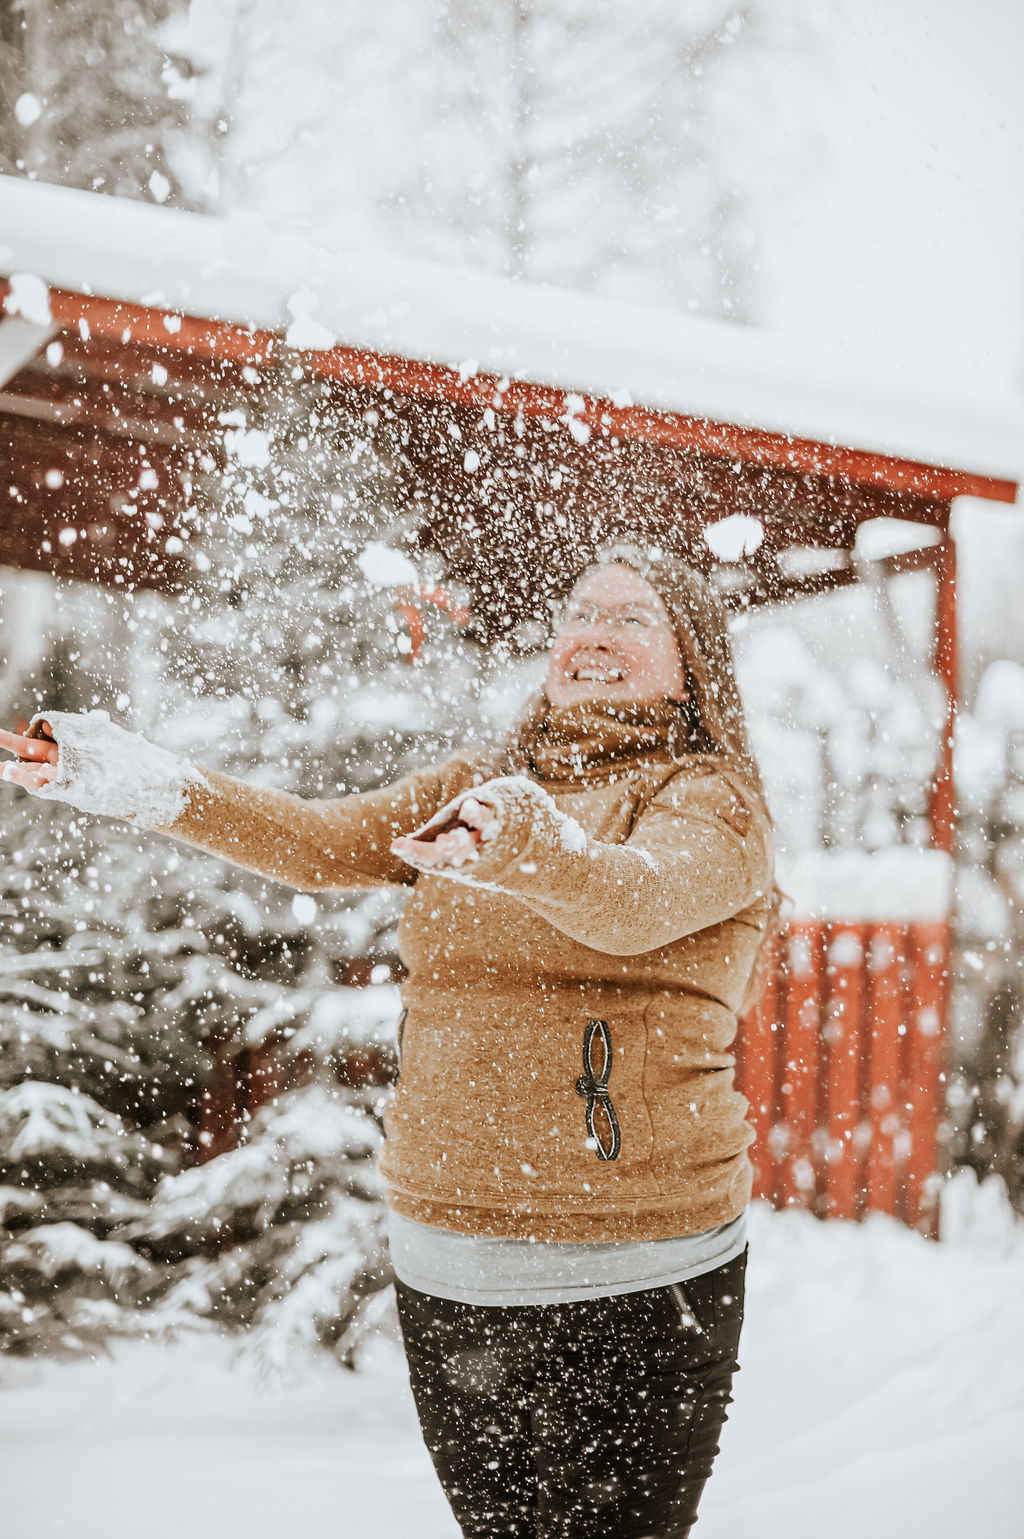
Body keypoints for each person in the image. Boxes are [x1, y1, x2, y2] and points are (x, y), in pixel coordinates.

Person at [1, 546, 775, 1539]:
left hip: (636, 1268)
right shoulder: (486, 780)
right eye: (578, 613)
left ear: (693, 658)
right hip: (451, 1260)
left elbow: (633, 901)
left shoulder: (711, 801)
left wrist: (522, 842)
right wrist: (149, 782)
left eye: (629, 619)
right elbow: (319, 843)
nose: (590, 635)